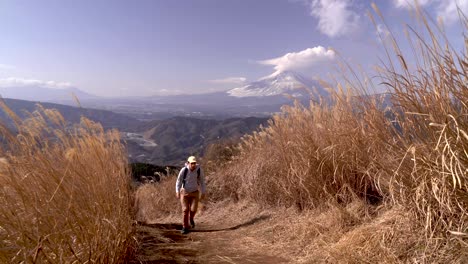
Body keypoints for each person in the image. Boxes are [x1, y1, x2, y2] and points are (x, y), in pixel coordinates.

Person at [175, 156, 206, 234]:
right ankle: (185, 227)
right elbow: (178, 181)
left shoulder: (199, 170)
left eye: (194, 163)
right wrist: (177, 191)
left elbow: (202, 181)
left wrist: (203, 191)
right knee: (185, 210)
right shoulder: (184, 170)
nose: (193, 165)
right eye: (192, 163)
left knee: (193, 209)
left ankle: (191, 218)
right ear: (188, 163)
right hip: (184, 192)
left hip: (195, 192)